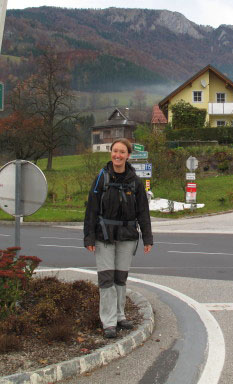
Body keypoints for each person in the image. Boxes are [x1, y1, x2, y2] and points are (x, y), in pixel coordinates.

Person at [83, 138, 153, 339]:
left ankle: (120, 315)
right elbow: (92, 209)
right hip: (104, 236)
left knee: (120, 279)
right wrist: (88, 237)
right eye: (115, 151)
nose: (118, 155)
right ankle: (109, 321)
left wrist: (147, 238)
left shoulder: (135, 182)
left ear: (128, 155)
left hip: (127, 236)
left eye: (122, 152)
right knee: (106, 279)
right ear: (111, 153)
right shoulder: (101, 178)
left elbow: (143, 212)